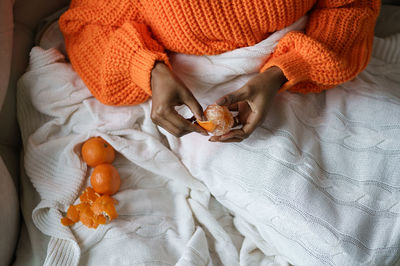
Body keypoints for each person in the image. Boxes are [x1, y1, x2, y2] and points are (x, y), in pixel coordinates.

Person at [59, 0, 380, 142]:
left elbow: (350, 6)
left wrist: (283, 71)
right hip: (198, 100)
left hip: (316, 67)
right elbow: (85, 26)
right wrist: (149, 69)